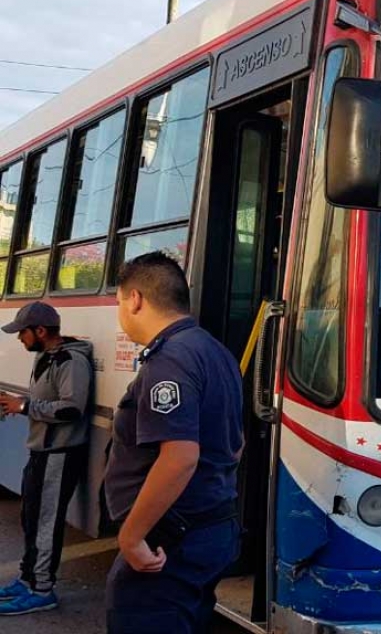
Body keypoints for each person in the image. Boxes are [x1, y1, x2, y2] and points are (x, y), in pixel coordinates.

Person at [104, 252, 243, 634]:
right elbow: (236, 442)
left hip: (173, 539)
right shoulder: (216, 352)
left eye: (118, 302)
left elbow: (180, 457)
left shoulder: (169, 360)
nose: (120, 312)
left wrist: (132, 537)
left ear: (135, 299)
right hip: (213, 525)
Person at [0, 302, 94, 616]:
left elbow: (71, 409)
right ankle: (28, 578)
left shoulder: (71, 361)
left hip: (59, 455)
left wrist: (25, 407)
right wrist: (16, 406)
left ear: (40, 331)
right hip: (40, 451)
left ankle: (42, 589)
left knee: (45, 523)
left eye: (22, 333)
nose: (19, 339)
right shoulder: (46, 356)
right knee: (31, 517)